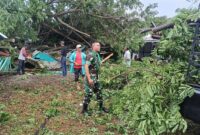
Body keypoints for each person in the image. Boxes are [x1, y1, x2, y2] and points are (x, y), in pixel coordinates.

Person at [81, 42, 108, 115]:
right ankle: (84, 110)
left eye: (99, 45)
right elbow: (86, 66)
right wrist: (89, 78)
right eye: (98, 45)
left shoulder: (97, 55)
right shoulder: (90, 55)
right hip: (91, 77)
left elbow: (97, 65)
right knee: (89, 94)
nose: (99, 46)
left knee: (99, 92)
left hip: (96, 77)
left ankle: (101, 107)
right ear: (93, 46)